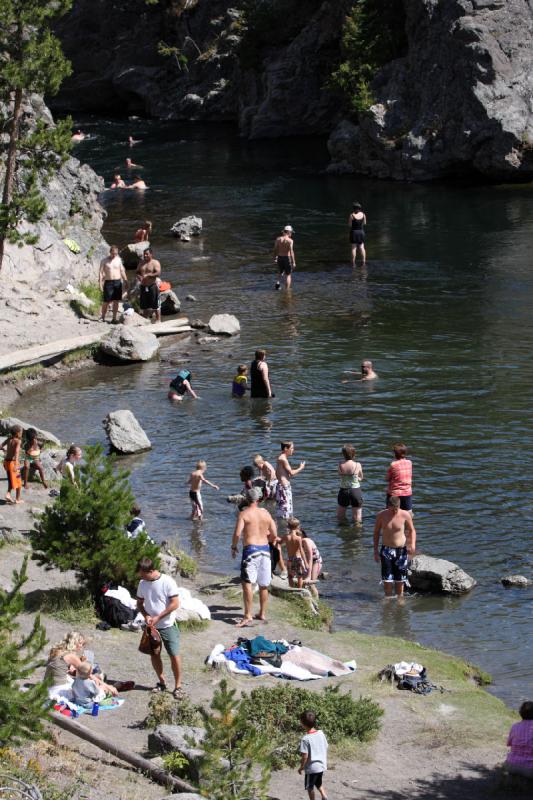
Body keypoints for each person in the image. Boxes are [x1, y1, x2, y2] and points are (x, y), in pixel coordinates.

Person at [136, 557, 184, 698]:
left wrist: (159, 617)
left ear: (151, 571)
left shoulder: (167, 581)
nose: (141, 576)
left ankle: (178, 687)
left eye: (143, 574)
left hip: (168, 625)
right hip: (152, 627)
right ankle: (162, 682)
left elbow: (175, 603)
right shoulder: (142, 583)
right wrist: (146, 615)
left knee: (174, 655)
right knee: (154, 654)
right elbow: (139, 603)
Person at [231, 487, 278, 627]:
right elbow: (274, 534)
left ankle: (247, 616)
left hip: (250, 550)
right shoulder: (266, 514)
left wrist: (234, 546)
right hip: (265, 550)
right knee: (264, 585)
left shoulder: (244, 514)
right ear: (259, 499)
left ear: (246, 498)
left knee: (247, 584)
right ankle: (262, 613)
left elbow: (238, 534)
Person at [44, 631, 117, 702]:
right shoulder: (71, 656)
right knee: (92, 689)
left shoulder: (56, 650)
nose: (81, 647)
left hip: (47, 686)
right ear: (74, 642)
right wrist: (107, 686)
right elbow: (88, 674)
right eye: (80, 644)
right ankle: (105, 688)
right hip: (58, 689)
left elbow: (60, 667)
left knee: (79, 680)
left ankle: (103, 683)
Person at [373, 496, 417, 598]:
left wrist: (412, 544)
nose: (395, 512)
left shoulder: (405, 515)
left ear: (399, 506)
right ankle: (387, 600)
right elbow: (376, 533)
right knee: (387, 580)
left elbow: (412, 530)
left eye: (396, 509)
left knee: (400, 581)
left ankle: (400, 601)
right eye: (393, 509)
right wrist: (375, 551)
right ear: (388, 506)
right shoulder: (381, 515)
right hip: (386, 551)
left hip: (401, 551)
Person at [298, 710, 329, 800]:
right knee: (318, 783)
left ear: (302, 723)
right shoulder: (321, 733)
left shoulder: (305, 739)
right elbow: (326, 746)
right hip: (321, 765)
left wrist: (301, 767)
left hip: (312, 769)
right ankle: (324, 796)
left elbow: (305, 756)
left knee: (309, 787)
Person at [275, 441, 305, 520]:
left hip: (282, 487)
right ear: (285, 449)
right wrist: (301, 468)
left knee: (283, 511)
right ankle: (285, 529)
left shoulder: (280, 458)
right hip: (284, 488)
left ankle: (285, 528)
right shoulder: (283, 459)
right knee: (285, 512)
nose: (293, 450)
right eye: (291, 448)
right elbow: (291, 473)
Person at [99, 245, 128, 323]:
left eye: (116, 253)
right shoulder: (104, 260)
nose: (114, 255)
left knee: (116, 301)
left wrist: (126, 281)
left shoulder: (118, 260)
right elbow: (101, 273)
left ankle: (114, 318)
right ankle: (102, 317)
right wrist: (100, 284)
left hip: (117, 282)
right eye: (113, 253)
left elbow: (122, 271)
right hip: (108, 282)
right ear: (110, 252)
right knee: (106, 301)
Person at [337, 444, 364, 524]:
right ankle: (357, 532)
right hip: (355, 490)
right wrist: (356, 478)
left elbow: (340, 476)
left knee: (340, 514)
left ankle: (343, 529)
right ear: (354, 454)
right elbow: (361, 477)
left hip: (343, 490)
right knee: (357, 516)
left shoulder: (340, 464)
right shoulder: (358, 465)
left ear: (343, 454)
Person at [506, 701, 533, 778]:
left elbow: (509, 743)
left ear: (521, 713)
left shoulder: (515, 726)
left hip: (511, 766)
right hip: (530, 769)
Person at [386, 443, 413, 513]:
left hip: (394, 494)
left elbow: (387, 478)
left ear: (395, 454)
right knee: (408, 514)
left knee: (390, 514)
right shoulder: (409, 463)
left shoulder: (393, 464)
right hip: (407, 493)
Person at [137, 248, 161, 322]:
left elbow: (158, 273)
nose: (145, 255)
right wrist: (140, 277)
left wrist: (149, 275)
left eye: (147, 254)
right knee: (144, 304)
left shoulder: (155, 262)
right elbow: (137, 272)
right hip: (143, 286)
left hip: (152, 286)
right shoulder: (141, 263)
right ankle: (145, 319)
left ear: (151, 254)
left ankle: (158, 320)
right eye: (144, 254)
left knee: (155, 304)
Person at [284, 518, 310, 589]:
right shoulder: (298, 538)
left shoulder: (286, 537)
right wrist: (306, 563)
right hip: (297, 558)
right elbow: (301, 551)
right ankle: (299, 589)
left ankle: (291, 589)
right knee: (299, 575)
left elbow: (279, 542)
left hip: (289, 559)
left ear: (288, 527)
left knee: (290, 576)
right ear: (298, 527)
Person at [1, 424, 23, 504]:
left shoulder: (9, 439)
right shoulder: (18, 441)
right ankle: (17, 499)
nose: (21, 434)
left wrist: (4, 450)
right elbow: (17, 451)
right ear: (17, 433)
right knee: (19, 481)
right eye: (21, 432)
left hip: (6, 462)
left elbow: (0, 445)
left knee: (11, 479)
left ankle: (9, 494)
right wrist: (17, 464)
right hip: (13, 463)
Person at [273, 225, 296, 290]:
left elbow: (275, 249)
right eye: (291, 232)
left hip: (280, 257)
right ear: (288, 232)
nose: (291, 234)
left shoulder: (278, 239)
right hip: (287, 258)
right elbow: (291, 251)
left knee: (280, 271)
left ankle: (277, 282)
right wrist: (294, 262)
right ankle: (287, 290)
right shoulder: (290, 241)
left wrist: (275, 257)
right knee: (288, 275)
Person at [349, 201, 366, 267]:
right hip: (361, 232)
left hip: (354, 232)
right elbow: (364, 223)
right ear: (360, 208)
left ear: (354, 208)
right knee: (362, 247)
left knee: (354, 248)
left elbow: (349, 225)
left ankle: (353, 263)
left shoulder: (351, 215)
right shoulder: (363, 215)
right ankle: (363, 262)